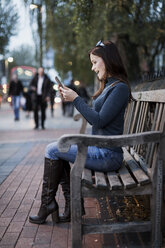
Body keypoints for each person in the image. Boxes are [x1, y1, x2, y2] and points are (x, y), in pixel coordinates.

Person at [29, 40, 133, 225]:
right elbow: (99, 120)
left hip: (108, 155)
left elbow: (98, 120)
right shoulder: (111, 86)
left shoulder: (120, 88)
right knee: (57, 149)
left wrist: (76, 99)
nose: (93, 68)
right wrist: (74, 98)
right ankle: (68, 206)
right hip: (101, 149)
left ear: (107, 60)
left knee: (53, 150)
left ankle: (49, 205)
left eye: (95, 62)